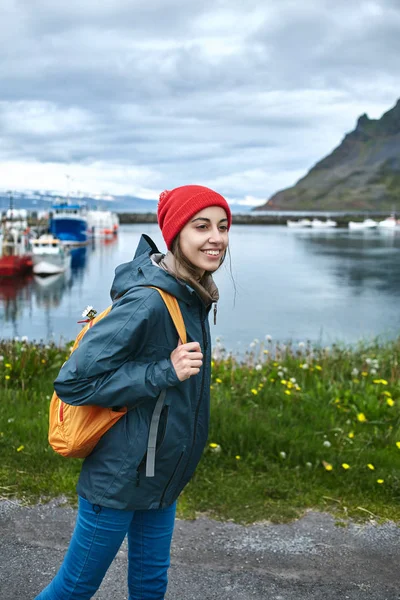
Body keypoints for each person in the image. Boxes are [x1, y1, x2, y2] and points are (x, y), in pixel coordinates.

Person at [35, 184, 231, 600]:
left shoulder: (193, 293)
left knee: (149, 587)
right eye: (201, 226)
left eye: (223, 226)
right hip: (119, 478)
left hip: (159, 477)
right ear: (176, 234)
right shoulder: (149, 301)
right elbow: (73, 382)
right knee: (73, 589)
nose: (216, 237)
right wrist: (163, 371)